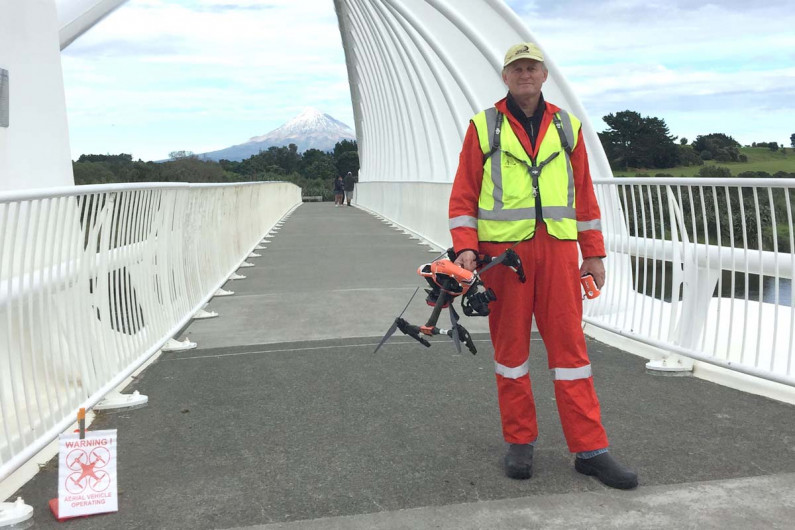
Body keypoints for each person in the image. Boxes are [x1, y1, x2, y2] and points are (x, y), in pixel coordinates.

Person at [448, 42, 637, 489]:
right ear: (506, 76)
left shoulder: (568, 128)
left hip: (556, 252)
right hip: (502, 256)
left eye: (532, 67)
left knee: (572, 354)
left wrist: (592, 252)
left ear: (544, 74)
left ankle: (590, 450)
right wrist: (465, 246)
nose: (525, 74)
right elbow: (463, 195)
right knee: (511, 354)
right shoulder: (484, 126)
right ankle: (519, 442)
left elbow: (585, 197)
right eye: (517, 68)